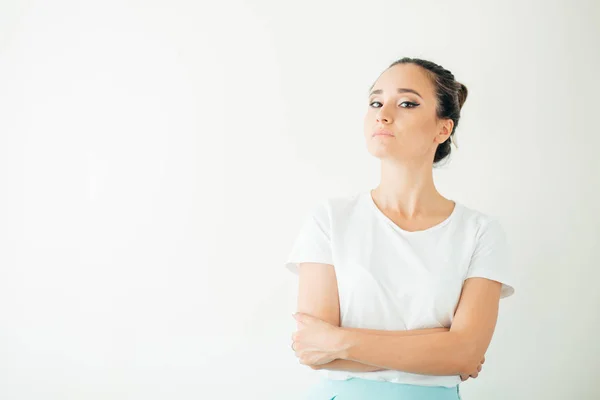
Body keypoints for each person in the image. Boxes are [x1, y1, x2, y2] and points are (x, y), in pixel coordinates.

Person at [284, 57, 515, 400]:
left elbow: (464, 354)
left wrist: (340, 341)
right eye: (376, 101)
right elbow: (311, 348)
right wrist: (440, 349)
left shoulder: (479, 232)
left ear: (443, 128)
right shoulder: (330, 220)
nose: (383, 113)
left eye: (407, 103)